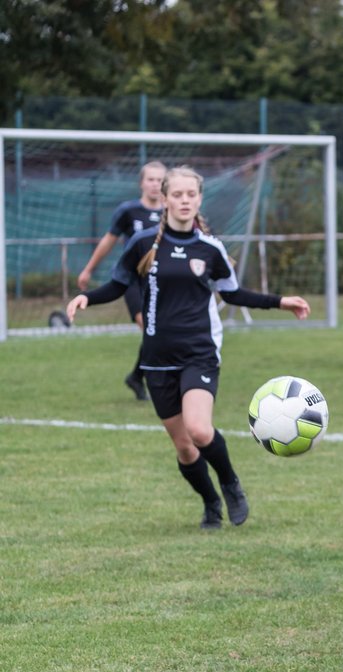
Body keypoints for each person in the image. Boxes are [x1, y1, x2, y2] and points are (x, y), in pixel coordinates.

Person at [65, 166, 311, 530]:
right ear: (164, 199)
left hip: (199, 352)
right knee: (184, 447)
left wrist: (280, 301)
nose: (184, 201)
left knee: (199, 429)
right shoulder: (143, 244)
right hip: (156, 359)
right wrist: (85, 297)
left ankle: (230, 484)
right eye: (177, 195)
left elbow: (232, 293)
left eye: (190, 195)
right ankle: (210, 503)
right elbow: (118, 285)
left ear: (199, 199)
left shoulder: (210, 248)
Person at [77, 160, 167, 401]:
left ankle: (136, 376)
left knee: (156, 332)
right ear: (141, 183)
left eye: (160, 180)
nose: (155, 184)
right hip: (132, 282)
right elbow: (108, 240)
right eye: (151, 179)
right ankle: (147, 378)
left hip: (160, 284)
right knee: (148, 328)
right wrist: (88, 270)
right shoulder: (128, 211)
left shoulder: (171, 213)